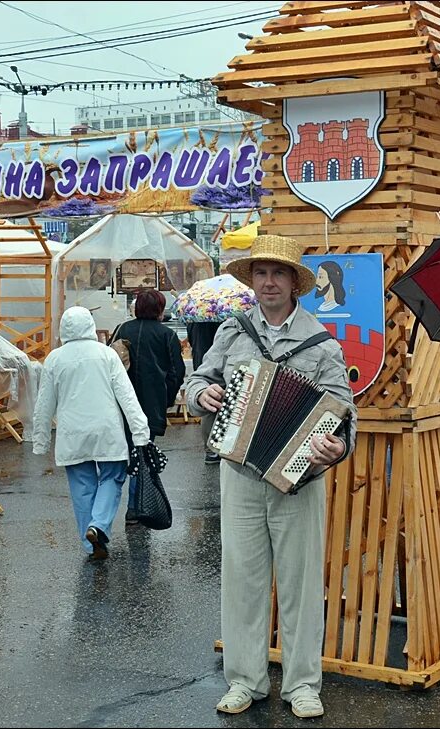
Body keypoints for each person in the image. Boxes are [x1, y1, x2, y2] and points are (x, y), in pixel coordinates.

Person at [185, 234, 357, 720]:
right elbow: (196, 381)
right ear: (252, 280)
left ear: (294, 283)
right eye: (260, 273)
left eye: (277, 273)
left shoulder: (321, 343)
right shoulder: (232, 332)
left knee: (301, 582)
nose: (268, 282)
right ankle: (244, 680)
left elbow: (344, 412)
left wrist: (337, 446)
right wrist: (201, 396)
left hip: (298, 479)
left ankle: (303, 684)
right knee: (241, 578)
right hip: (239, 471)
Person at [32, 306, 150, 560]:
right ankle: (98, 526)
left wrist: (40, 440)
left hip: (72, 432)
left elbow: (44, 403)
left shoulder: (55, 358)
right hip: (106, 429)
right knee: (112, 477)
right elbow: (126, 395)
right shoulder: (106, 355)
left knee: (82, 486)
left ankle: (91, 542)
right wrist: (140, 431)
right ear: (90, 326)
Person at [112, 290, 185, 523]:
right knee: (142, 451)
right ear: (160, 309)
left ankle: (107, 508)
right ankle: (135, 508)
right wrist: (167, 399)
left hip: (121, 402)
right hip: (151, 403)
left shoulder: (122, 329)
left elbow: (109, 360)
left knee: (120, 453)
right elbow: (176, 372)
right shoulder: (167, 335)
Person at [185, 319, 224, 463]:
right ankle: (215, 447)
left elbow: (191, 340)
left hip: (200, 359)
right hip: (216, 364)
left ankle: (211, 449)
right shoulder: (223, 324)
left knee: (208, 406)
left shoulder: (194, 321)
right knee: (215, 404)